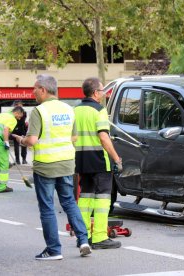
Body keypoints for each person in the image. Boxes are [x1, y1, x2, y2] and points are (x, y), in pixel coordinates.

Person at [12, 74, 91, 260]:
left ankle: (54, 250)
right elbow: (74, 138)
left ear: (43, 90)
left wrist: (20, 139)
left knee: (47, 208)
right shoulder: (69, 109)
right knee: (70, 203)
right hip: (66, 164)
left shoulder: (39, 111)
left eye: (35, 88)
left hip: (46, 166)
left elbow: (31, 141)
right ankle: (84, 240)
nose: (33, 92)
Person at [74, 77, 122, 250]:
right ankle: (100, 237)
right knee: (102, 199)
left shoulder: (76, 110)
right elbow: (103, 137)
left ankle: (83, 235)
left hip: (81, 160)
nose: (104, 94)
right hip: (99, 160)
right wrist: (116, 158)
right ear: (95, 93)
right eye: (102, 91)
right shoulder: (99, 110)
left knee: (85, 198)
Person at [10, 100, 28, 164]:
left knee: (23, 144)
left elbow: (22, 121)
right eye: (20, 104)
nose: (21, 106)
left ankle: (23, 159)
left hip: (21, 130)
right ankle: (18, 160)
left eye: (21, 104)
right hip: (17, 129)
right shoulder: (14, 112)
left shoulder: (23, 112)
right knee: (16, 146)